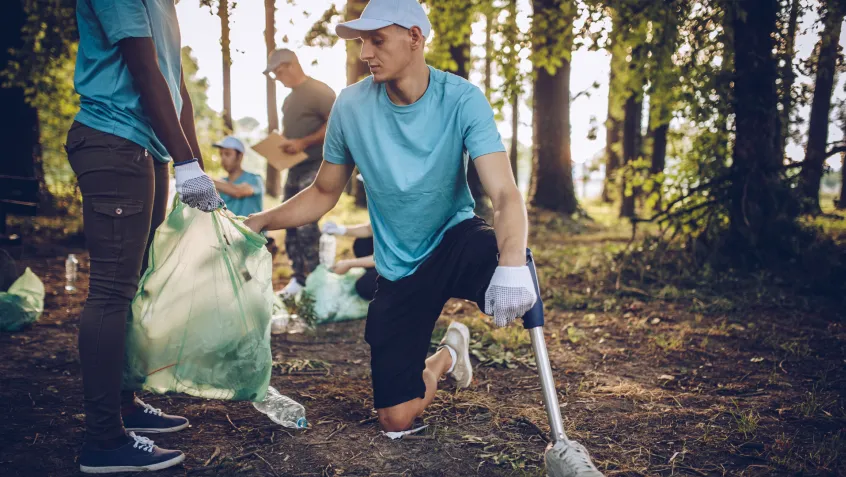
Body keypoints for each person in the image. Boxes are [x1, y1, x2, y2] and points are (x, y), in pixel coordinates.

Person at [246, 1, 602, 473]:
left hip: (455, 239)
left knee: (510, 258)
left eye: (377, 39)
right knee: (396, 419)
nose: (365, 52)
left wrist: (512, 260)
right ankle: (447, 358)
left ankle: (562, 438)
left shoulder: (462, 98)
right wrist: (257, 222)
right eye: (360, 42)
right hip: (397, 266)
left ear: (415, 37)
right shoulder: (351, 106)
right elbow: (323, 192)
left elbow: (504, 193)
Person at [67, 0, 224, 473]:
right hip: (113, 139)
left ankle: (125, 405)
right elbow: (142, 65)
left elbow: (176, 84)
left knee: (135, 285)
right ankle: (103, 440)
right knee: (112, 291)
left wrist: (194, 165)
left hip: (146, 145)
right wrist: (186, 163)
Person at [263, 48, 337, 297]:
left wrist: (303, 143)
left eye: (278, 72)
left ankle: (316, 281)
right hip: (294, 168)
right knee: (288, 221)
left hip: (317, 165)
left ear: (291, 65)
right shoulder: (288, 100)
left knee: (306, 222)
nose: (277, 78)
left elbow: (335, 124)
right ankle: (298, 279)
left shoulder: (319, 91)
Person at [322, 221, 378, 301]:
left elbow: (388, 258)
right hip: (389, 258)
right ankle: (374, 272)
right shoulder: (386, 212)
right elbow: (369, 229)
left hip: (399, 267)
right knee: (362, 243)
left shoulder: (400, 218)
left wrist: (349, 264)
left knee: (365, 286)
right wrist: (339, 229)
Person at [212, 136, 265, 217]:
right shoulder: (220, 183)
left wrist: (206, 180)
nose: (223, 158)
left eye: (227, 154)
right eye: (221, 154)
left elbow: (238, 191)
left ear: (240, 156)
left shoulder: (255, 179)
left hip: (252, 230)